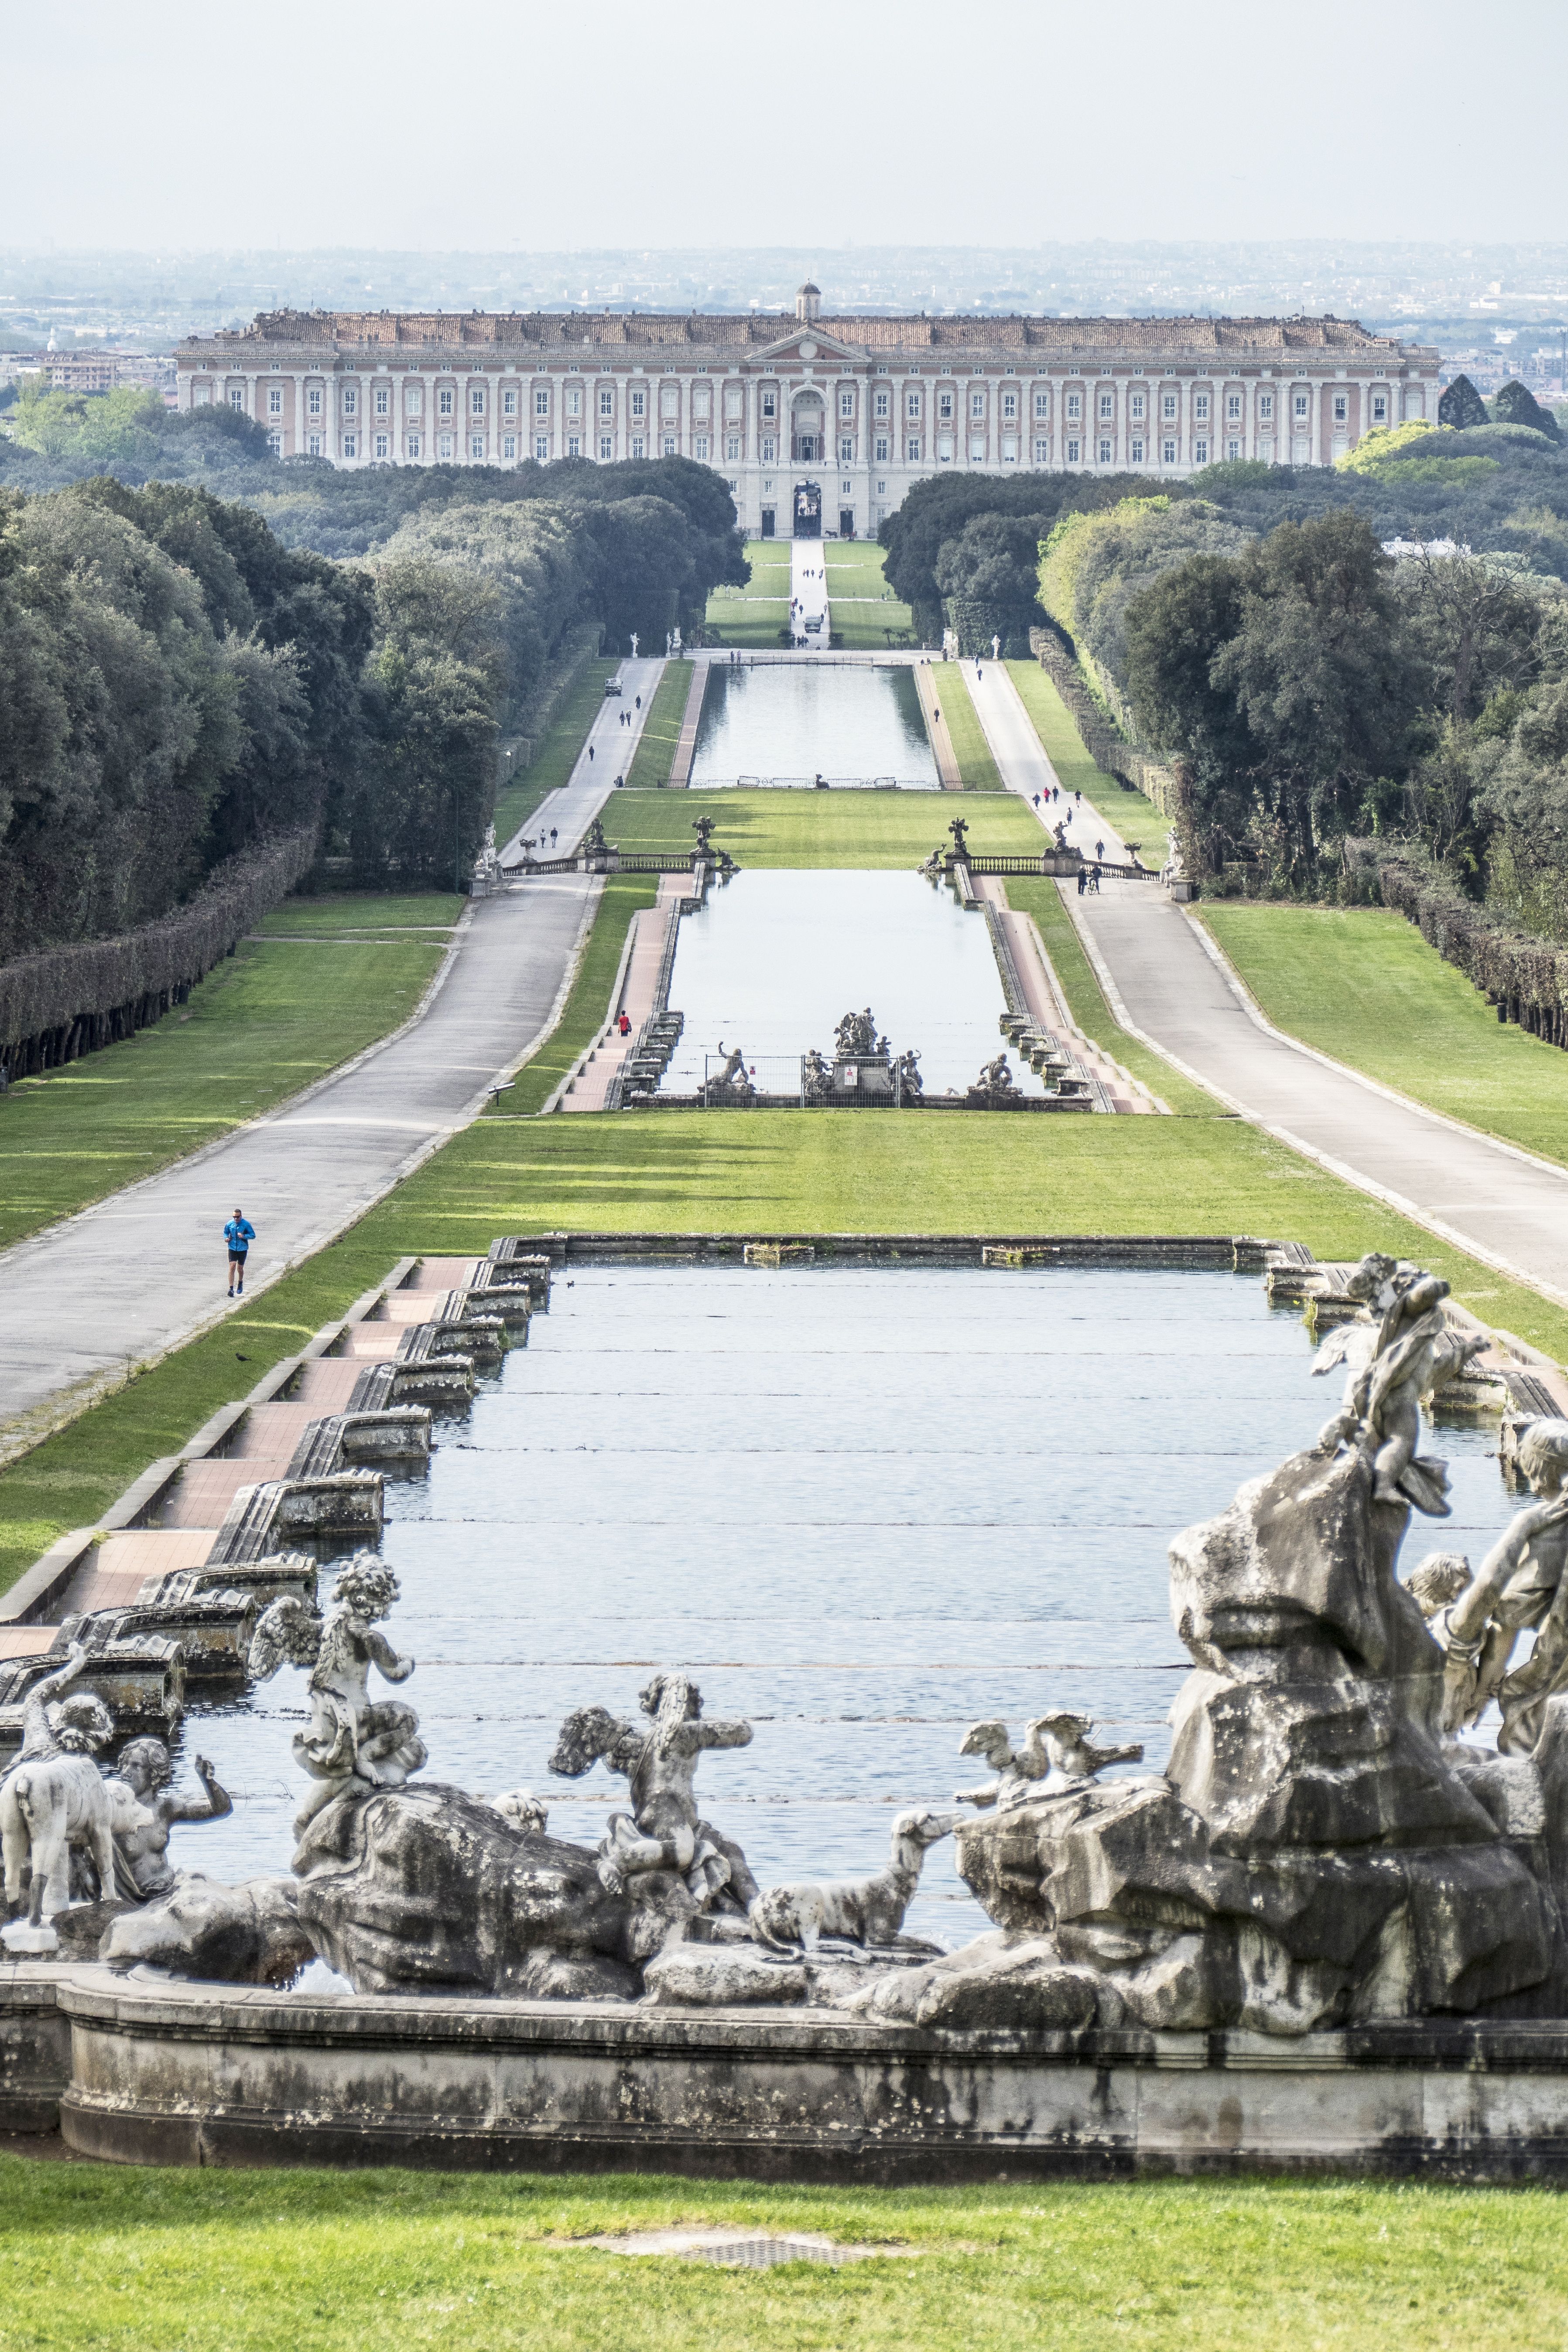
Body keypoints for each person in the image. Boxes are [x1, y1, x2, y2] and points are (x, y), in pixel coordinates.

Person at [224, 1208, 255, 1298]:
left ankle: (240, 1283)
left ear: (241, 1216)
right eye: (234, 1217)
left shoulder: (246, 1224)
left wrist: (244, 1236)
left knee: (240, 1268)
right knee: (232, 1265)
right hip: (232, 1248)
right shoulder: (230, 1224)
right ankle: (231, 1289)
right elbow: (226, 1232)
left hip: (243, 1249)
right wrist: (226, 1238)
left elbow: (253, 1235)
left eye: (237, 1217)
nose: (236, 1219)